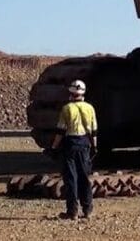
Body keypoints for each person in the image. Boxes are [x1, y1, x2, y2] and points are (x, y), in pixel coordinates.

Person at [51, 79, 98, 220]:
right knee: (84, 177)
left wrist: (54, 147)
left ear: (71, 92)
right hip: (84, 143)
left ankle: (72, 212)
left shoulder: (67, 108)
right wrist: (94, 146)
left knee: (71, 178)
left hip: (70, 144)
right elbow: (94, 131)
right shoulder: (90, 108)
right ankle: (88, 210)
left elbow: (61, 131)